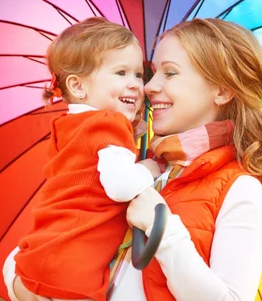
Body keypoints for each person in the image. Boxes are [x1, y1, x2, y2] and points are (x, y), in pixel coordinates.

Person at [4, 18, 262, 301]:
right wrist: (17, 282)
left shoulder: (239, 189)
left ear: (220, 90)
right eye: (151, 73)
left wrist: (165, 231)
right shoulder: (130, 164)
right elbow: (58, 235)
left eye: (169, 73)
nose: (148, 87)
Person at [13, 17, 160, 301]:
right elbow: (120, 186)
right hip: (74, 268)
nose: (135, 85)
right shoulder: (109, 122)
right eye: (120, 73)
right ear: (78, 87)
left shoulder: (67, 126)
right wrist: (148, 168)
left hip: (41, 256)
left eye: (138, 74)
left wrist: (130, 133)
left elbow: (89, 167)